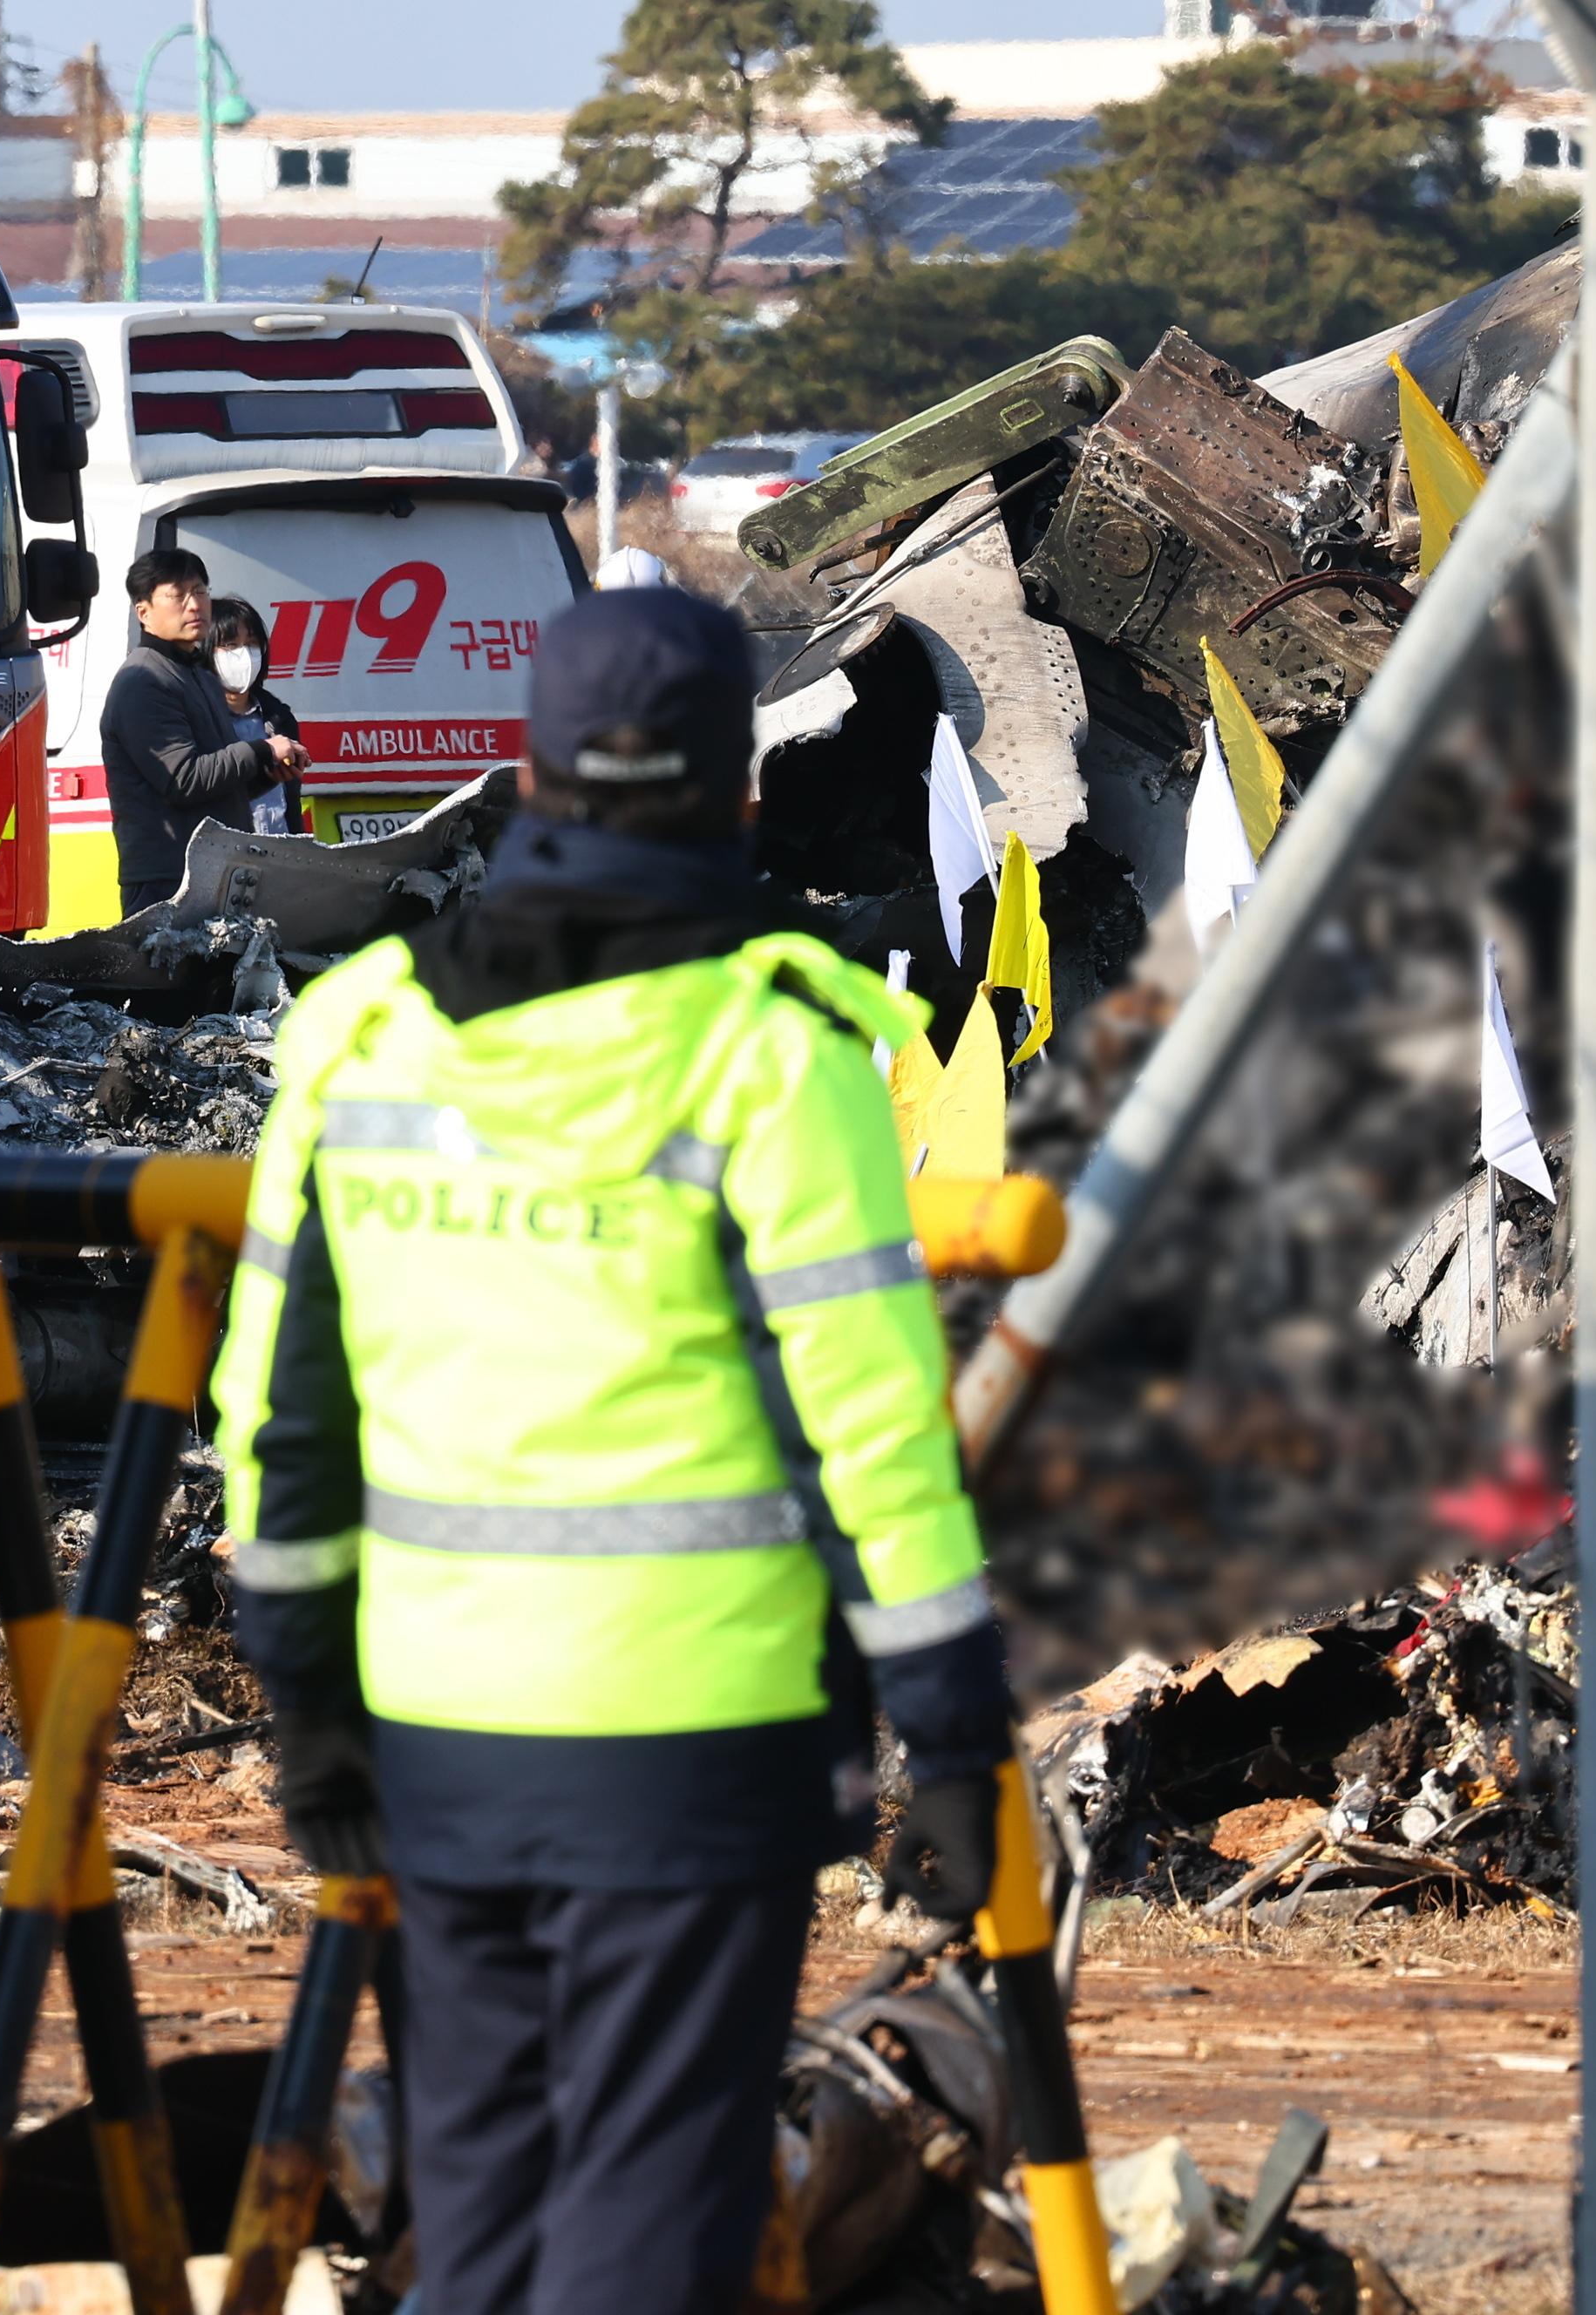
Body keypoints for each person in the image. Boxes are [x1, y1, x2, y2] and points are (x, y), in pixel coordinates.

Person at [209, 587, 1015, 2315]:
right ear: (736, 792)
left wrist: (307, 1714)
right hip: (691, 1750)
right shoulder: (774, 1062)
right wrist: (950, 1735)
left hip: (437, 1741)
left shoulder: (363, 1039)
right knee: (654, 2210)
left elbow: (278, 1430)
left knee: (480, 2199)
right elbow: (876, 1443)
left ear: (535, 772)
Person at [100, 549, 309, 912]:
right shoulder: (144, 679)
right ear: (144, 612)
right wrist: (261, 750)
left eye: (199, 591)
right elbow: (183, 779)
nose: (194, 604)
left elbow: (215, 783)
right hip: (168, 883)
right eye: (177, 595)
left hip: (215, 872)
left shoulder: (197, 673)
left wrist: (266, 776)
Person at [205, 594, 307, 836]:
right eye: (229, 645)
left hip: (280, 857)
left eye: (251, 644)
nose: (244, 655)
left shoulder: (279, 718)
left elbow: (289, 802)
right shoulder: (199, 719)